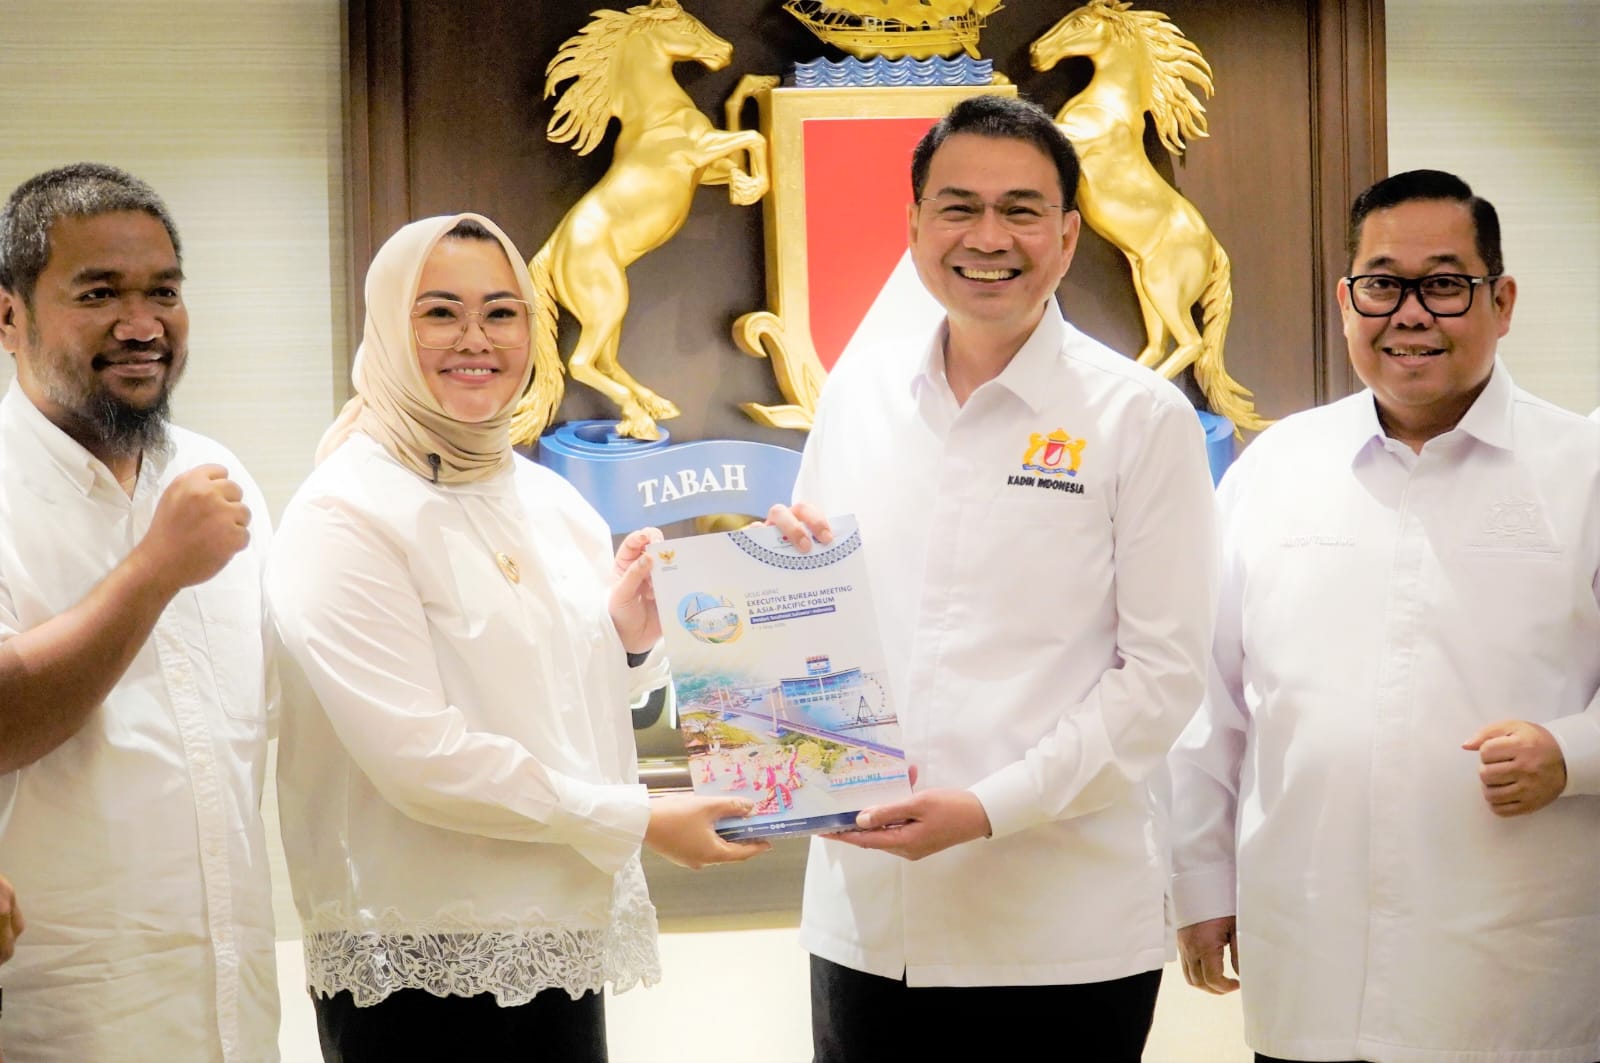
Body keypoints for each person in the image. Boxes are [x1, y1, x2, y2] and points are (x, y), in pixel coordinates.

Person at [765, 94, 1218, 1061]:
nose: (987, 237)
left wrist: (987, 808)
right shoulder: (857, 396)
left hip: (1057, 934)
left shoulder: (1138, 418)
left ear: (1068, 234)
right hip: (866, 922)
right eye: (958, 207)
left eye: (1021, 210)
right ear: (914, 226)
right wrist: (784, 589)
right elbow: (817, 617)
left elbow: (1163, 679)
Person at [266, 213, 768, 1063]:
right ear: (387, 326)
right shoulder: (344, 511)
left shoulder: (552, 501)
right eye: (440, 312)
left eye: (502, 312)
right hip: (417, 963)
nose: (476, 338)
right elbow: (419, 757)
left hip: (557, 941)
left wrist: (627, 637)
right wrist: (639, 816)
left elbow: (553, 696)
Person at [1169, 169, 1600, 1063]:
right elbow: (1207, 698)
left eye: (1444, 284)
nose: (1410, 313)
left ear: (1502, 302)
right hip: (1310, 961)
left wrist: (1574, 752)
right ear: (1346, 301)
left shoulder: (1582, 471)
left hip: (1508, 978)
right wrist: (1200, 878)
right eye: (1382, 284)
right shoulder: (1277, 467)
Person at [0, 163, 279, 1060]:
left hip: (234, 1015)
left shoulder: (220, 476)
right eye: (99, 293)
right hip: (59, 1023)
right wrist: (155, 569)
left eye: (163, 290)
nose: (142, 324)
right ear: (9, 316)